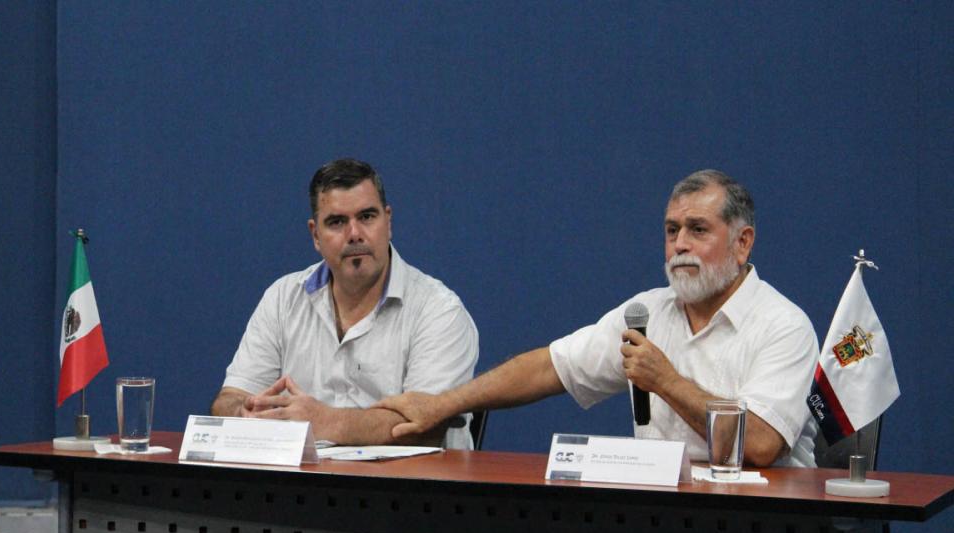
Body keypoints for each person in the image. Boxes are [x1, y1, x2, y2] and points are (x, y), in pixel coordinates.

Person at [377, 170, 818, 466]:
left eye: (697, 230)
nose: (679, 244)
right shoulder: (647, 311)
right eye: (671, 230)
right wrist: (444, 404)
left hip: (767, 528)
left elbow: (758, 443)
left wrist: (665, 380)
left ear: (743, 243)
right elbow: (549, 367)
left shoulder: (782, 325)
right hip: (665, 520)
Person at [212, 158, 479, 449]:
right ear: (315, 235)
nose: (354, 234)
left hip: (409, 489)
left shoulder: (439, 311)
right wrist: (244, 413)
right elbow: (229, 399)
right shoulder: (282, 298)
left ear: (388, 222)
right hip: (300, 487)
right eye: (337, 222)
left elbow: (426, 425)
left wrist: (323, 421)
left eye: (367, 217)